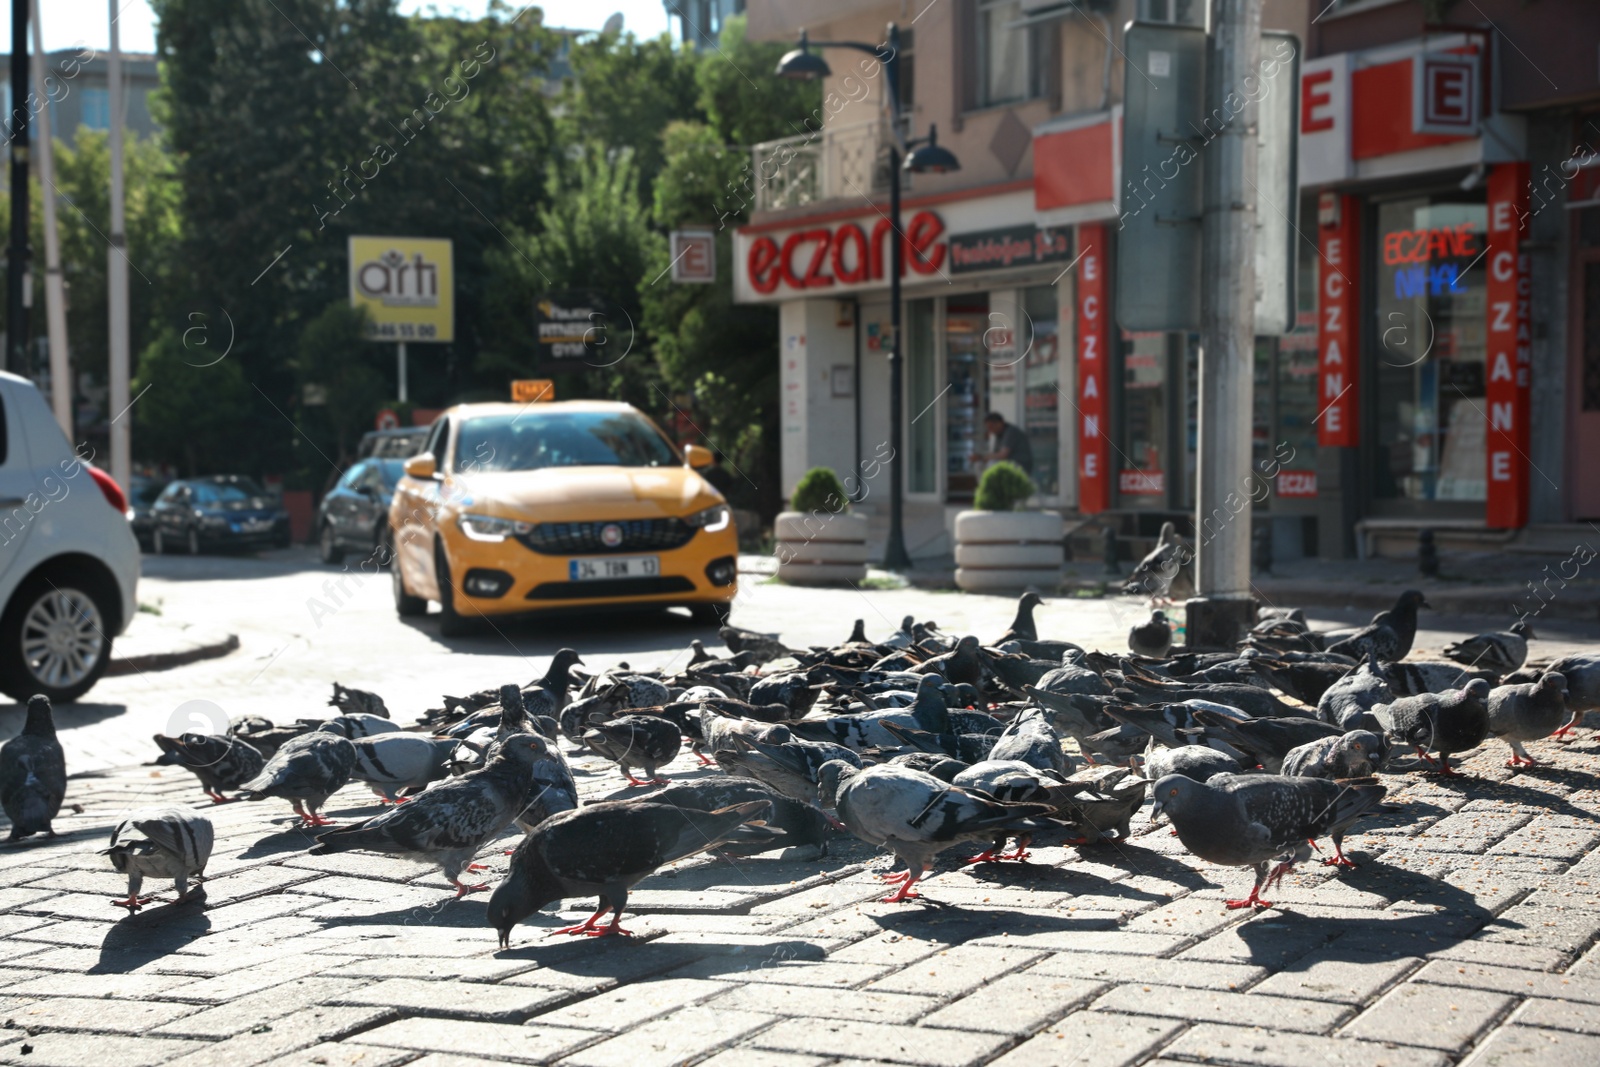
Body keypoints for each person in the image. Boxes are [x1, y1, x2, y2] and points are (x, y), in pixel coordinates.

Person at [977, 412, 1033, 477]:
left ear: (1000, 423)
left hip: (1019, 465)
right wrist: (982, 458)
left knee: (992, 464)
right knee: (979, 464)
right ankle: (986, 485)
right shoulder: (998, 435)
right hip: (1008, 464)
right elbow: (995, 454)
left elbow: (1003, 455)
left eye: (991, 427)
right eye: (988, 428)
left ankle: (993, 486)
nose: (990, 430)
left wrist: (982, 457)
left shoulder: (1011, 432)